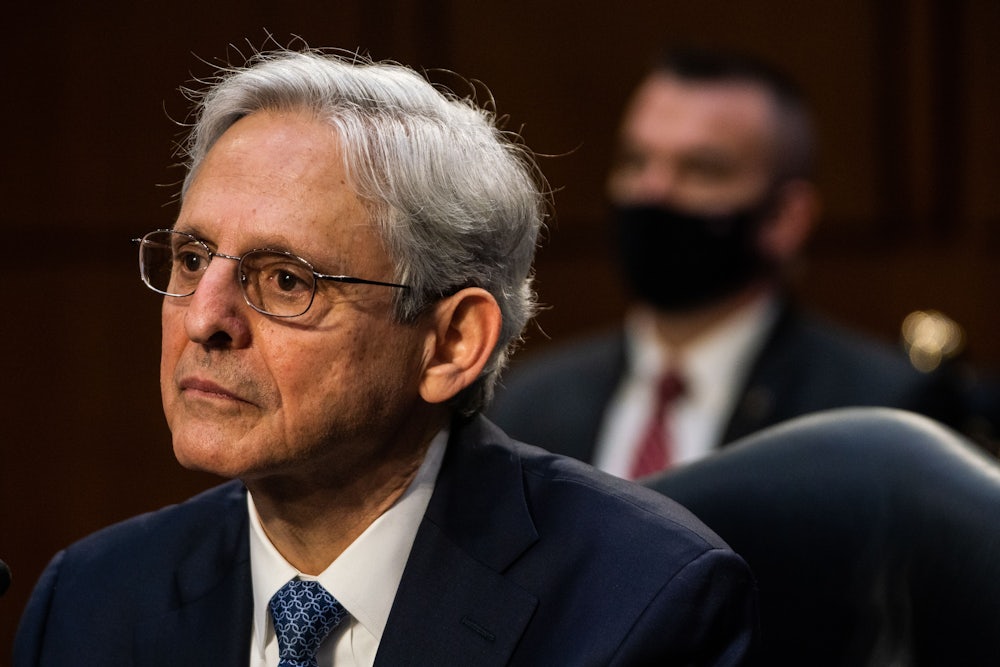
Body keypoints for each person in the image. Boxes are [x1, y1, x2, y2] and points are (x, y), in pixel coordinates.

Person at [13, 49, 757, 666]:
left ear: (451, 343)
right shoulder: (91, 601)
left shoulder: (639, 606)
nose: (204, 319)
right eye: (191, 258)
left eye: (285, 281)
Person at [490, 47, 964, 479]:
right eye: (635, 162)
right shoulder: (525, 403)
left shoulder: (874, 412)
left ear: (785, 218)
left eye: (701, 169)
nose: (653, 191)